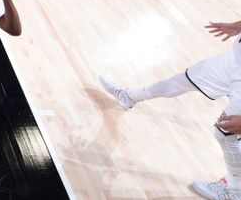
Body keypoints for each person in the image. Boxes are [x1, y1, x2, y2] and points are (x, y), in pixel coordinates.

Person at [99, 19, 241, 200]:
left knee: (224, 133)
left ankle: (236, 189)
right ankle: (130, 96)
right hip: (236, 61)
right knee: (183, 80)